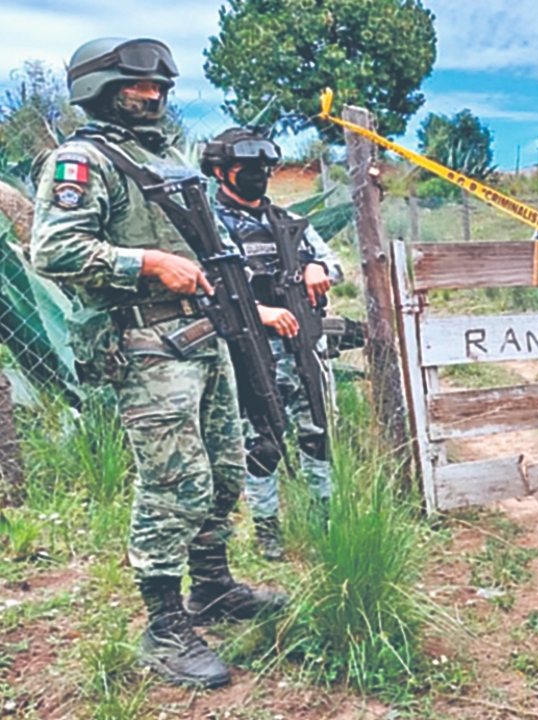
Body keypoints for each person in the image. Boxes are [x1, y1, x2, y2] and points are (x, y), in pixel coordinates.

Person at [30, 38, 288, 688]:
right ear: (98, 89)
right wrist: (145, 263)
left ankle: (213, 588)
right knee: (176, 486)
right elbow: (53, 251)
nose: (152, 97)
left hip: (205, 339)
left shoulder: (170, 160)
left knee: (226, 471)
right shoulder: (81, 162)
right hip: (143, 345)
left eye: (159, 90)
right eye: (135, 88)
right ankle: (163, 625)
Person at [201, 127, 345, 560]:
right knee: (262, 444)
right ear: (223, 172)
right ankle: (268, 532)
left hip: (303, 348)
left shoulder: (286, 222)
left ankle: (325, 521)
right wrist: (258, 313)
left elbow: (333, 267)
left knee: (317, 435)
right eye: (248, 169)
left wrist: (318, 266)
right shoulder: (211, 224)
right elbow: (206, 285)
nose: (258, 176)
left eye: (264, 168)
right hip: (251, 351)